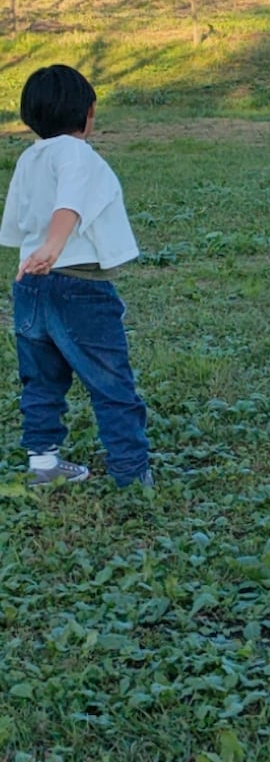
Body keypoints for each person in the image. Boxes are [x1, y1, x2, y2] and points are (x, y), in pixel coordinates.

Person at [0, 65, 152, 487]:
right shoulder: (76, 154)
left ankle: (44, 462)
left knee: (41, 379)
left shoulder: (29, 158)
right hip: (79, 286)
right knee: (110, 380)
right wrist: (53, 247)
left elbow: (20, 221)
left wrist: (33, 257)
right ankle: (131, 472)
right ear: (88, 113)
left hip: (31, 286)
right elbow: (69, 204)